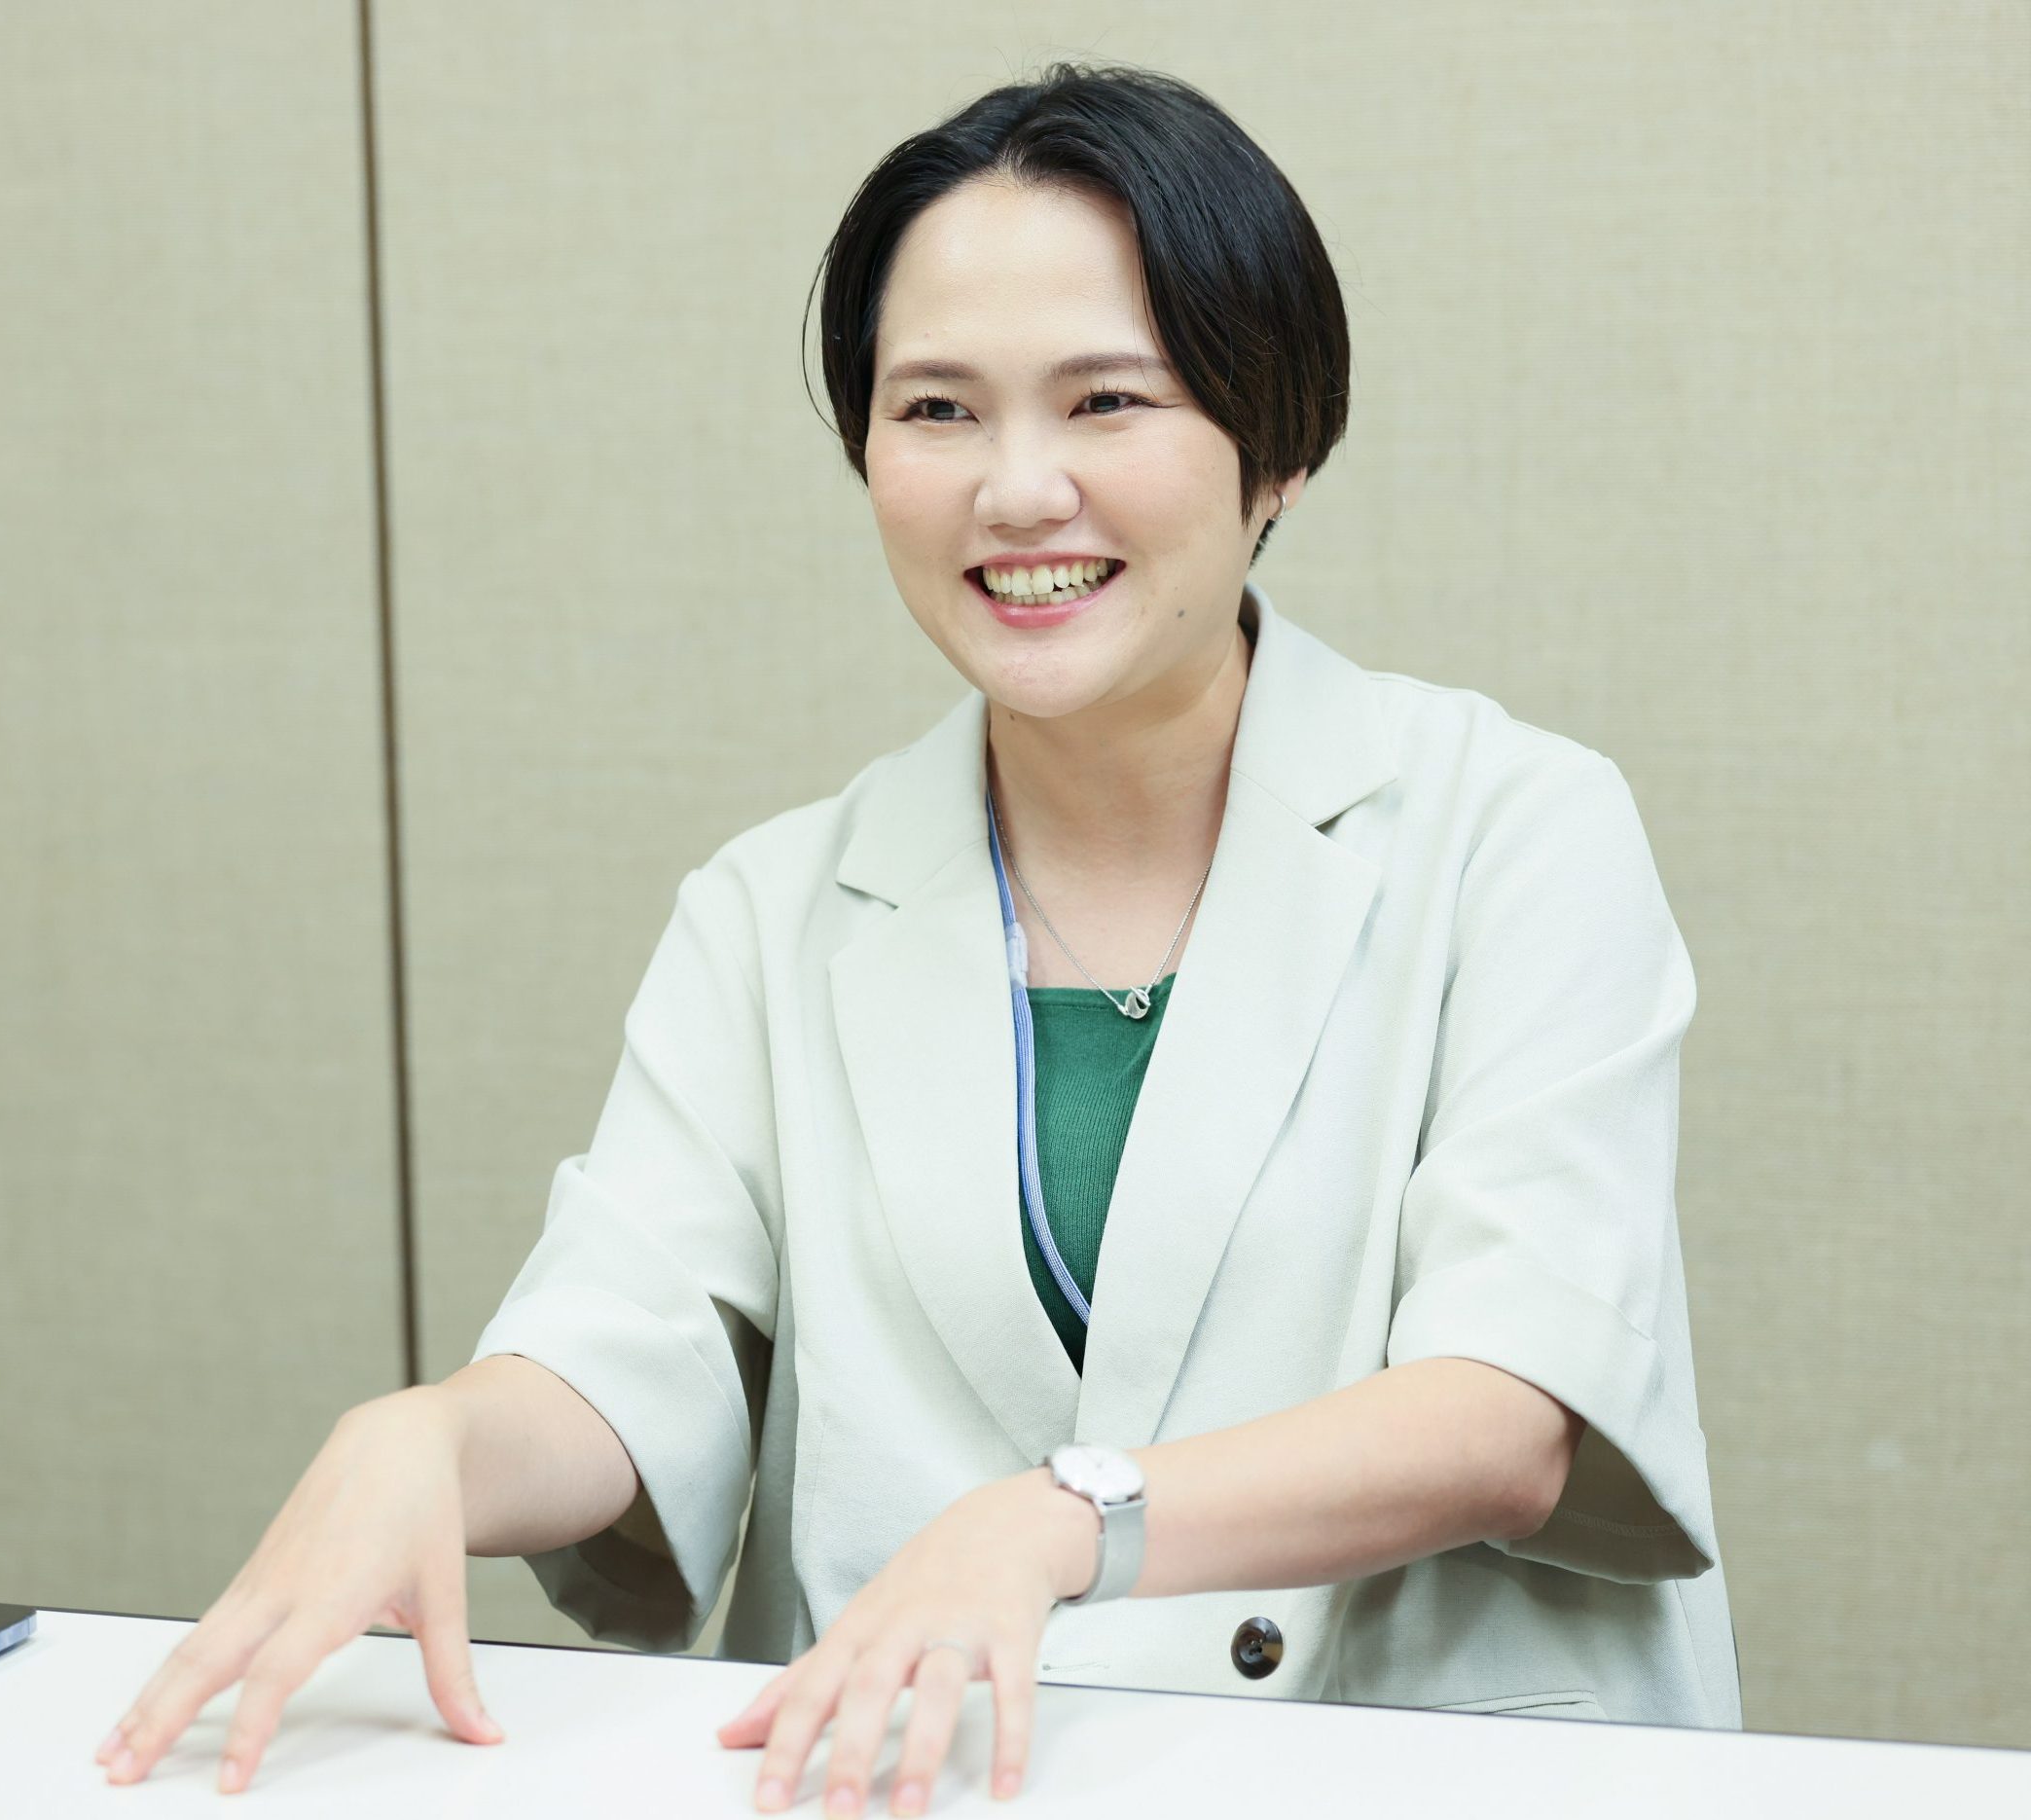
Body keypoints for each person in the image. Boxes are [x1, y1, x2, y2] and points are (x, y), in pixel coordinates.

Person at [93, 59, 1740, 1812]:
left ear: (1281, 440)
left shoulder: (1516, 830)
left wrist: (1060, 1519)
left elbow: (1509, 1411)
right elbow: (621, 1353)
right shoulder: (772, 906)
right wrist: (431, 1437)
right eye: (937, 409)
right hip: (929, 1780)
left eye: (1107, 400)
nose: (1017, 492)